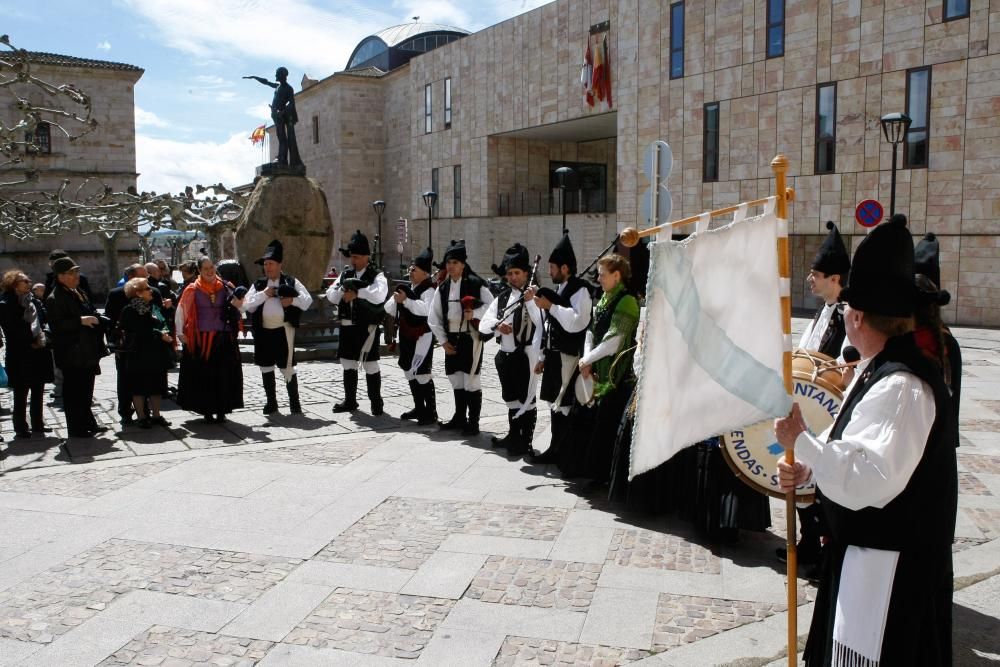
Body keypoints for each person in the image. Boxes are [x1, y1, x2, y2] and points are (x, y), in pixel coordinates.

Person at [774, 214, 957, 666]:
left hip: (889, 572)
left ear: (856, 316)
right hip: (865, 557)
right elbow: (854, 449)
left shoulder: (901, 385)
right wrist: (808, 472)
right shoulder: (877, 367)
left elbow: (869, 477)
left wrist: (805, 440)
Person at [559, 254, 639, 485]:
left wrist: (589, 359)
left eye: (602, 274)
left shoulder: (627, 301)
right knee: (586, 421)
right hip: (595, 371)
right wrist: (587, 359)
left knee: (605, 428)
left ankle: (601, 477)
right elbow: (591, 332)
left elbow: (615, 339)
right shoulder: (604, 298)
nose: (598, 278)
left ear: (617, 275)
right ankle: (581, 469)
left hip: (616, 376)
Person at [525, 231, 592, 463]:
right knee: (555, 404)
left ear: (565, 268)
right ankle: (556, 450)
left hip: (569, 356)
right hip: (554, 355)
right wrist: (542, 355)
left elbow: (577, 322)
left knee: (565, 405)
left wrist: (551, 306)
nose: (550, 272)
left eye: (553, 268)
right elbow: (548, 326)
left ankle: (566, 454)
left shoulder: (580, 289)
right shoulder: (560, 290)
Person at [479, 244, 543, 456]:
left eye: (517, 273)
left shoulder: (536, 295)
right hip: (506, 356)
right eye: (510, 274)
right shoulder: (503, 298)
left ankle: (526, 441)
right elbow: (483, 323)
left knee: (527, 399)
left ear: (526, 273)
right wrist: (497, 326)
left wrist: (531, 303)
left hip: (527, 356)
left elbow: (541, 323)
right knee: (511, 398)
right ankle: (513, 436)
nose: (513, 277)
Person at [428, 239, 494, 436]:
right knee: (456, 378)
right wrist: (443, 341)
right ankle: (459, 417)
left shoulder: (476, 284)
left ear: (463, 264)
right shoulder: (443, 288)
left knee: (471, 379)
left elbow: (493, 308)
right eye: (448, 262)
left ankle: (473, 422)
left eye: (455, 262)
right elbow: (434, 316)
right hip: (451, 338)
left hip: (470, 338)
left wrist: (475, 314)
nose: (451, 266)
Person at [241, 240, 313, 415]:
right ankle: (271, 403)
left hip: (283, 331)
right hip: (263, 332)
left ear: (280, 264)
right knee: (266, 367)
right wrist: (264, 294)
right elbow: (246, 306)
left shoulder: (291, 281)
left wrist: (292, 300)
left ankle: (294, 403)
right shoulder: (259, 284)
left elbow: (307, 301)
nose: (267, 268)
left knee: (287, 367)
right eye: (265, 264)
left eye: (271, 264)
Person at [175, 257, 245, 423]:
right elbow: (181, 311)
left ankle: (222, 409)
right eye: (205, 268)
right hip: (201, 339)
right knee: (205, 376)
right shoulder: (191, 289)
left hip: (224, 337)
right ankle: (207, 410)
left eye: (211, 267)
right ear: (199, 270)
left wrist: (239, 304)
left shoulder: (227, 287)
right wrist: (180, 333)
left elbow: (240, 308)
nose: (209, 271)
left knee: (224, 375)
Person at [325, 230, 388, 415]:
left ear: (366, 256)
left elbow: (379, 296)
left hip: (367, 328)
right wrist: (342, 292)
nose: (353, 261)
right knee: (347, 363)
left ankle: (376, 402)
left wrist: (358, 293)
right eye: (352, 257)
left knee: (370, 365)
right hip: (347, 326)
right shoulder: (346, 273)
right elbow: (331, 295)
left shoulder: (376, 275)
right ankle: (350, 401)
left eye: (357, 257)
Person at [45, 256, 108, 438]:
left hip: (86, 350)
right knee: (74, 392)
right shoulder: (55, 297)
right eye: (71, 273)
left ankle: (88, 422)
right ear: (60, 276)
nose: (76, 275)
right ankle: (77, 428)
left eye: (76, 272)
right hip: (72, 353)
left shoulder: (77, 291)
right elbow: (56, 325)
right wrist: (80, 320)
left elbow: (89, 310)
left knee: (86, 391)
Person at [384, 247, 438, 425]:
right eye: (410, 268)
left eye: (414, 269)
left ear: (425, 272)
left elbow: (426, 311)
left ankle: (430, 412)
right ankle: (419, 407)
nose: (410, 272)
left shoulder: (429, 288)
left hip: (422, 336)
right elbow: (389, 308)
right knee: (408, 370)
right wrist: (397, 300)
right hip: (406, 334)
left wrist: (406, 301)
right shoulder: (408, 288)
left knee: (422, 373)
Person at [0, 270, 54, 438]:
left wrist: (42, 336)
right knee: (21, 391)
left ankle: (38, 423)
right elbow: (11, 329)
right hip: (19, 353)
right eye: (25, 281)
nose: (29, 284)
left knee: (38, 389)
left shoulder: (33, 301)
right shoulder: (5, 303)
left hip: (38, 351)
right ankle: (21, 426)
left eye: (29, 280)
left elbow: (44, 319)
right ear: (14, 284)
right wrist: (31, 339)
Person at [119, 277, 174, 429]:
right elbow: (138, 331)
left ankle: (156, 415)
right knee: (139, 387)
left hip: (155, 352)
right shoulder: (129, 310)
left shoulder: (152, 307)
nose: (151, 291)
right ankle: (142, 417)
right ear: (138, 293)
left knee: (157, 385)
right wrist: (159, 335)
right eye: (147, 288)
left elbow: (162, 322)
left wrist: (164, 329)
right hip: (138, 353)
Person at [799, 221, 851, 359]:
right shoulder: (822, 310)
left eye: (815, 274)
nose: (809, 278)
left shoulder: (850, 318)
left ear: (834, 279)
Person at [105, 263, 149, 425]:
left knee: (143, 378)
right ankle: (125, 411)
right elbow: (110, 321)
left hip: (144, 345)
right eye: (143, 276)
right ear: (131, 277)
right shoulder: (116, 294)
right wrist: (114, 343)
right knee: (124, 378)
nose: (146, 280)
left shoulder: (149, 293)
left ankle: (144, 411)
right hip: (125, 346)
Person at [244, 67, 302, 168]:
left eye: (277, 74)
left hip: (281, 116)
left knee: (282, 138)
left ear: (282, 75)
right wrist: (254, 77)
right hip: (275, 115)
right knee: (280, 137)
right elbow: (266, 82)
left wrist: (282, 112)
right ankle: (281, 158)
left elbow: (291, 104)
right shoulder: (277, 86)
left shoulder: (288, 88)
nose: (275, 76)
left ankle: (282, 159)